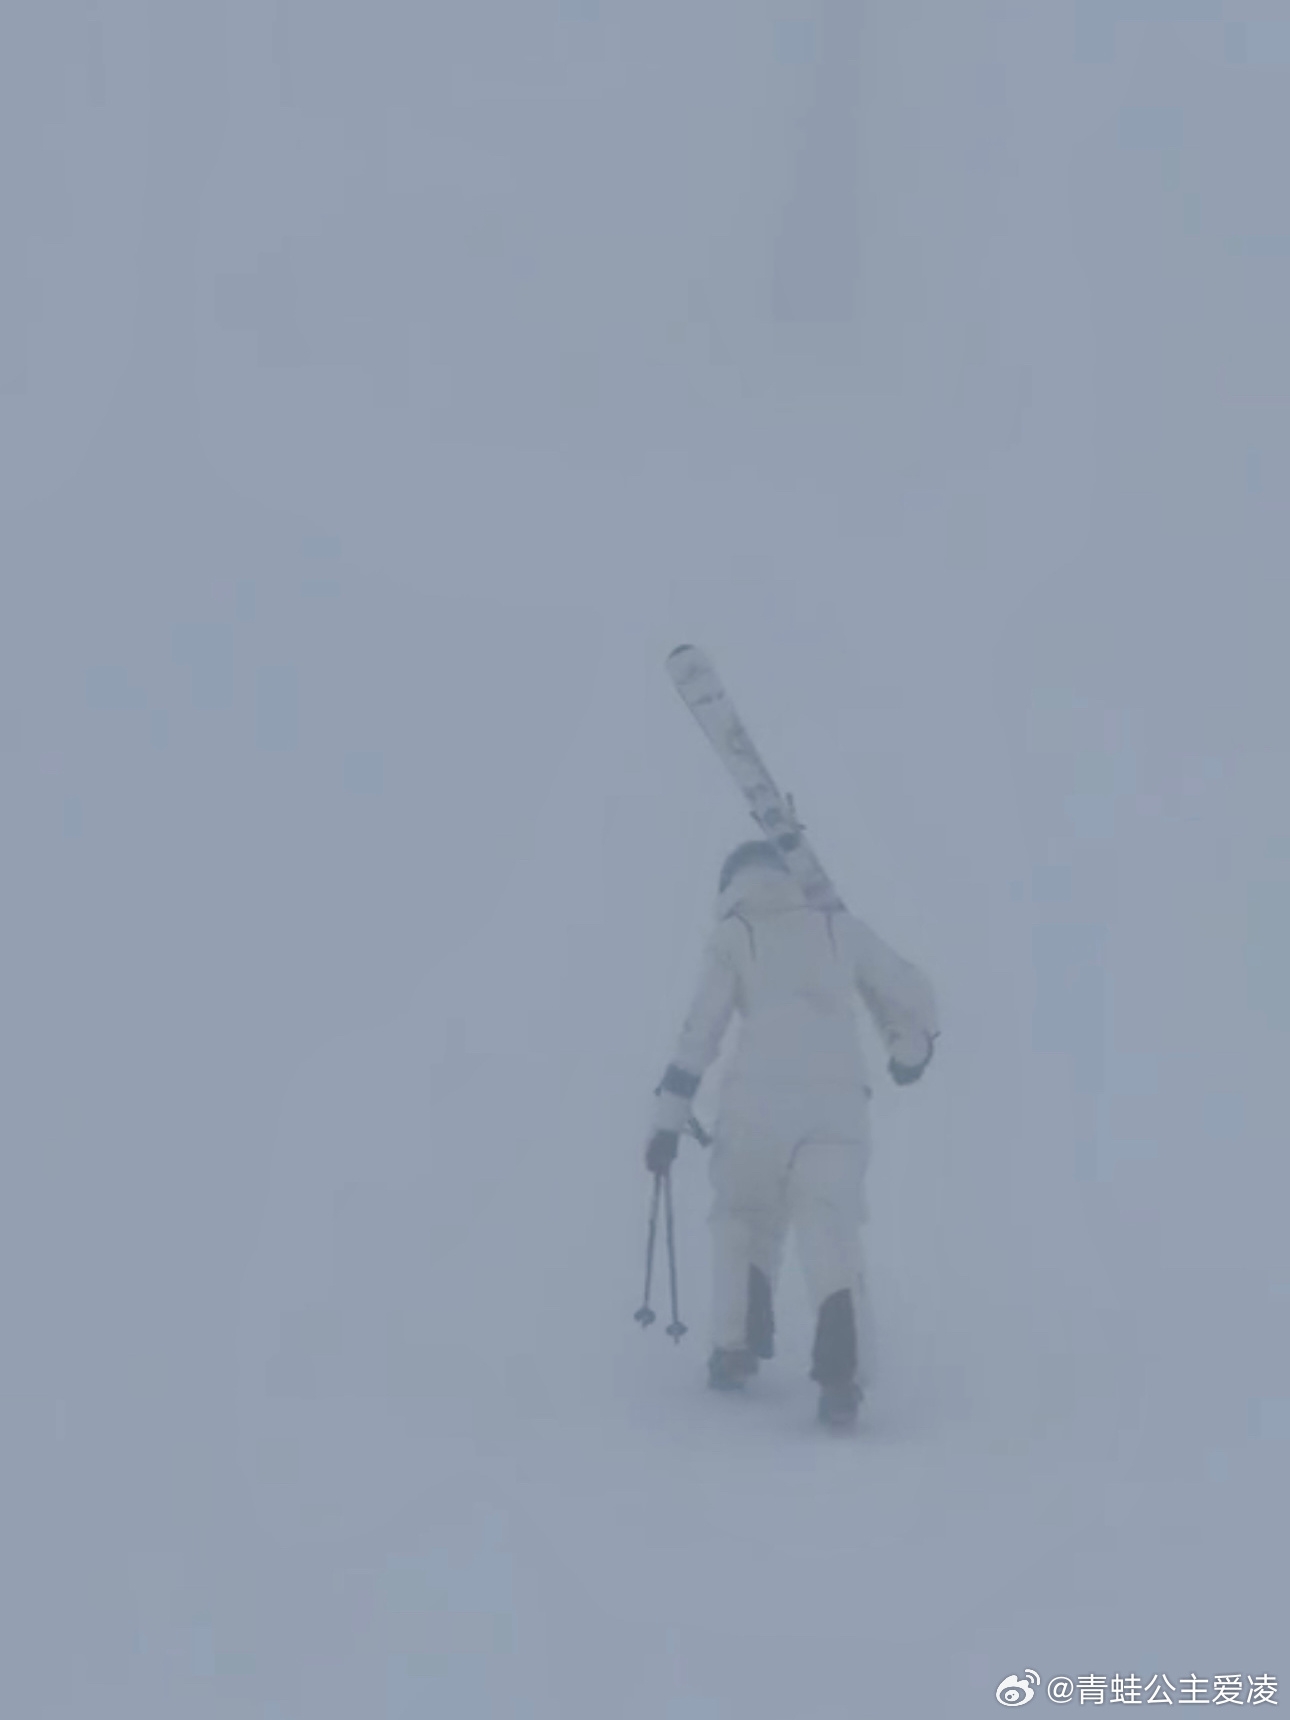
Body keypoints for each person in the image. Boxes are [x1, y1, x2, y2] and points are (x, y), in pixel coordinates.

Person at [645, 839, 938, 1427]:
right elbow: (912, 992)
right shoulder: (841, 929)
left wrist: (667, 1125)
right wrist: (911, 1050)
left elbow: (699, 1032)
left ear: (732, 884)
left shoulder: (735, 933)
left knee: (742, 1217)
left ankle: (735, 1346)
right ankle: (841, 1379)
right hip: (836, 1108)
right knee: (830, 1229)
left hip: (754, 1103)